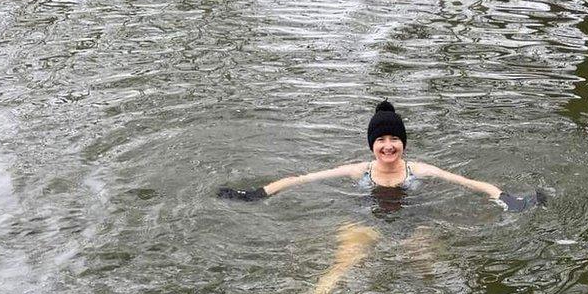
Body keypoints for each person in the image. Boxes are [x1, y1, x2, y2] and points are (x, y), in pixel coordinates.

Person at [217, 100, 543, 212]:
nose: (388, 145)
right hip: (365, 219)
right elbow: (303, 179)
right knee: (344, 261)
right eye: (381, 139)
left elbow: (469, 183)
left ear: (403, 143)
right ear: (372, 144)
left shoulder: (420, 170)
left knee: (428, 262)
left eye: (395, 139)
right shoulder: (358, 171)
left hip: (412, 221)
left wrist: (507, 198)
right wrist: (257, 194)